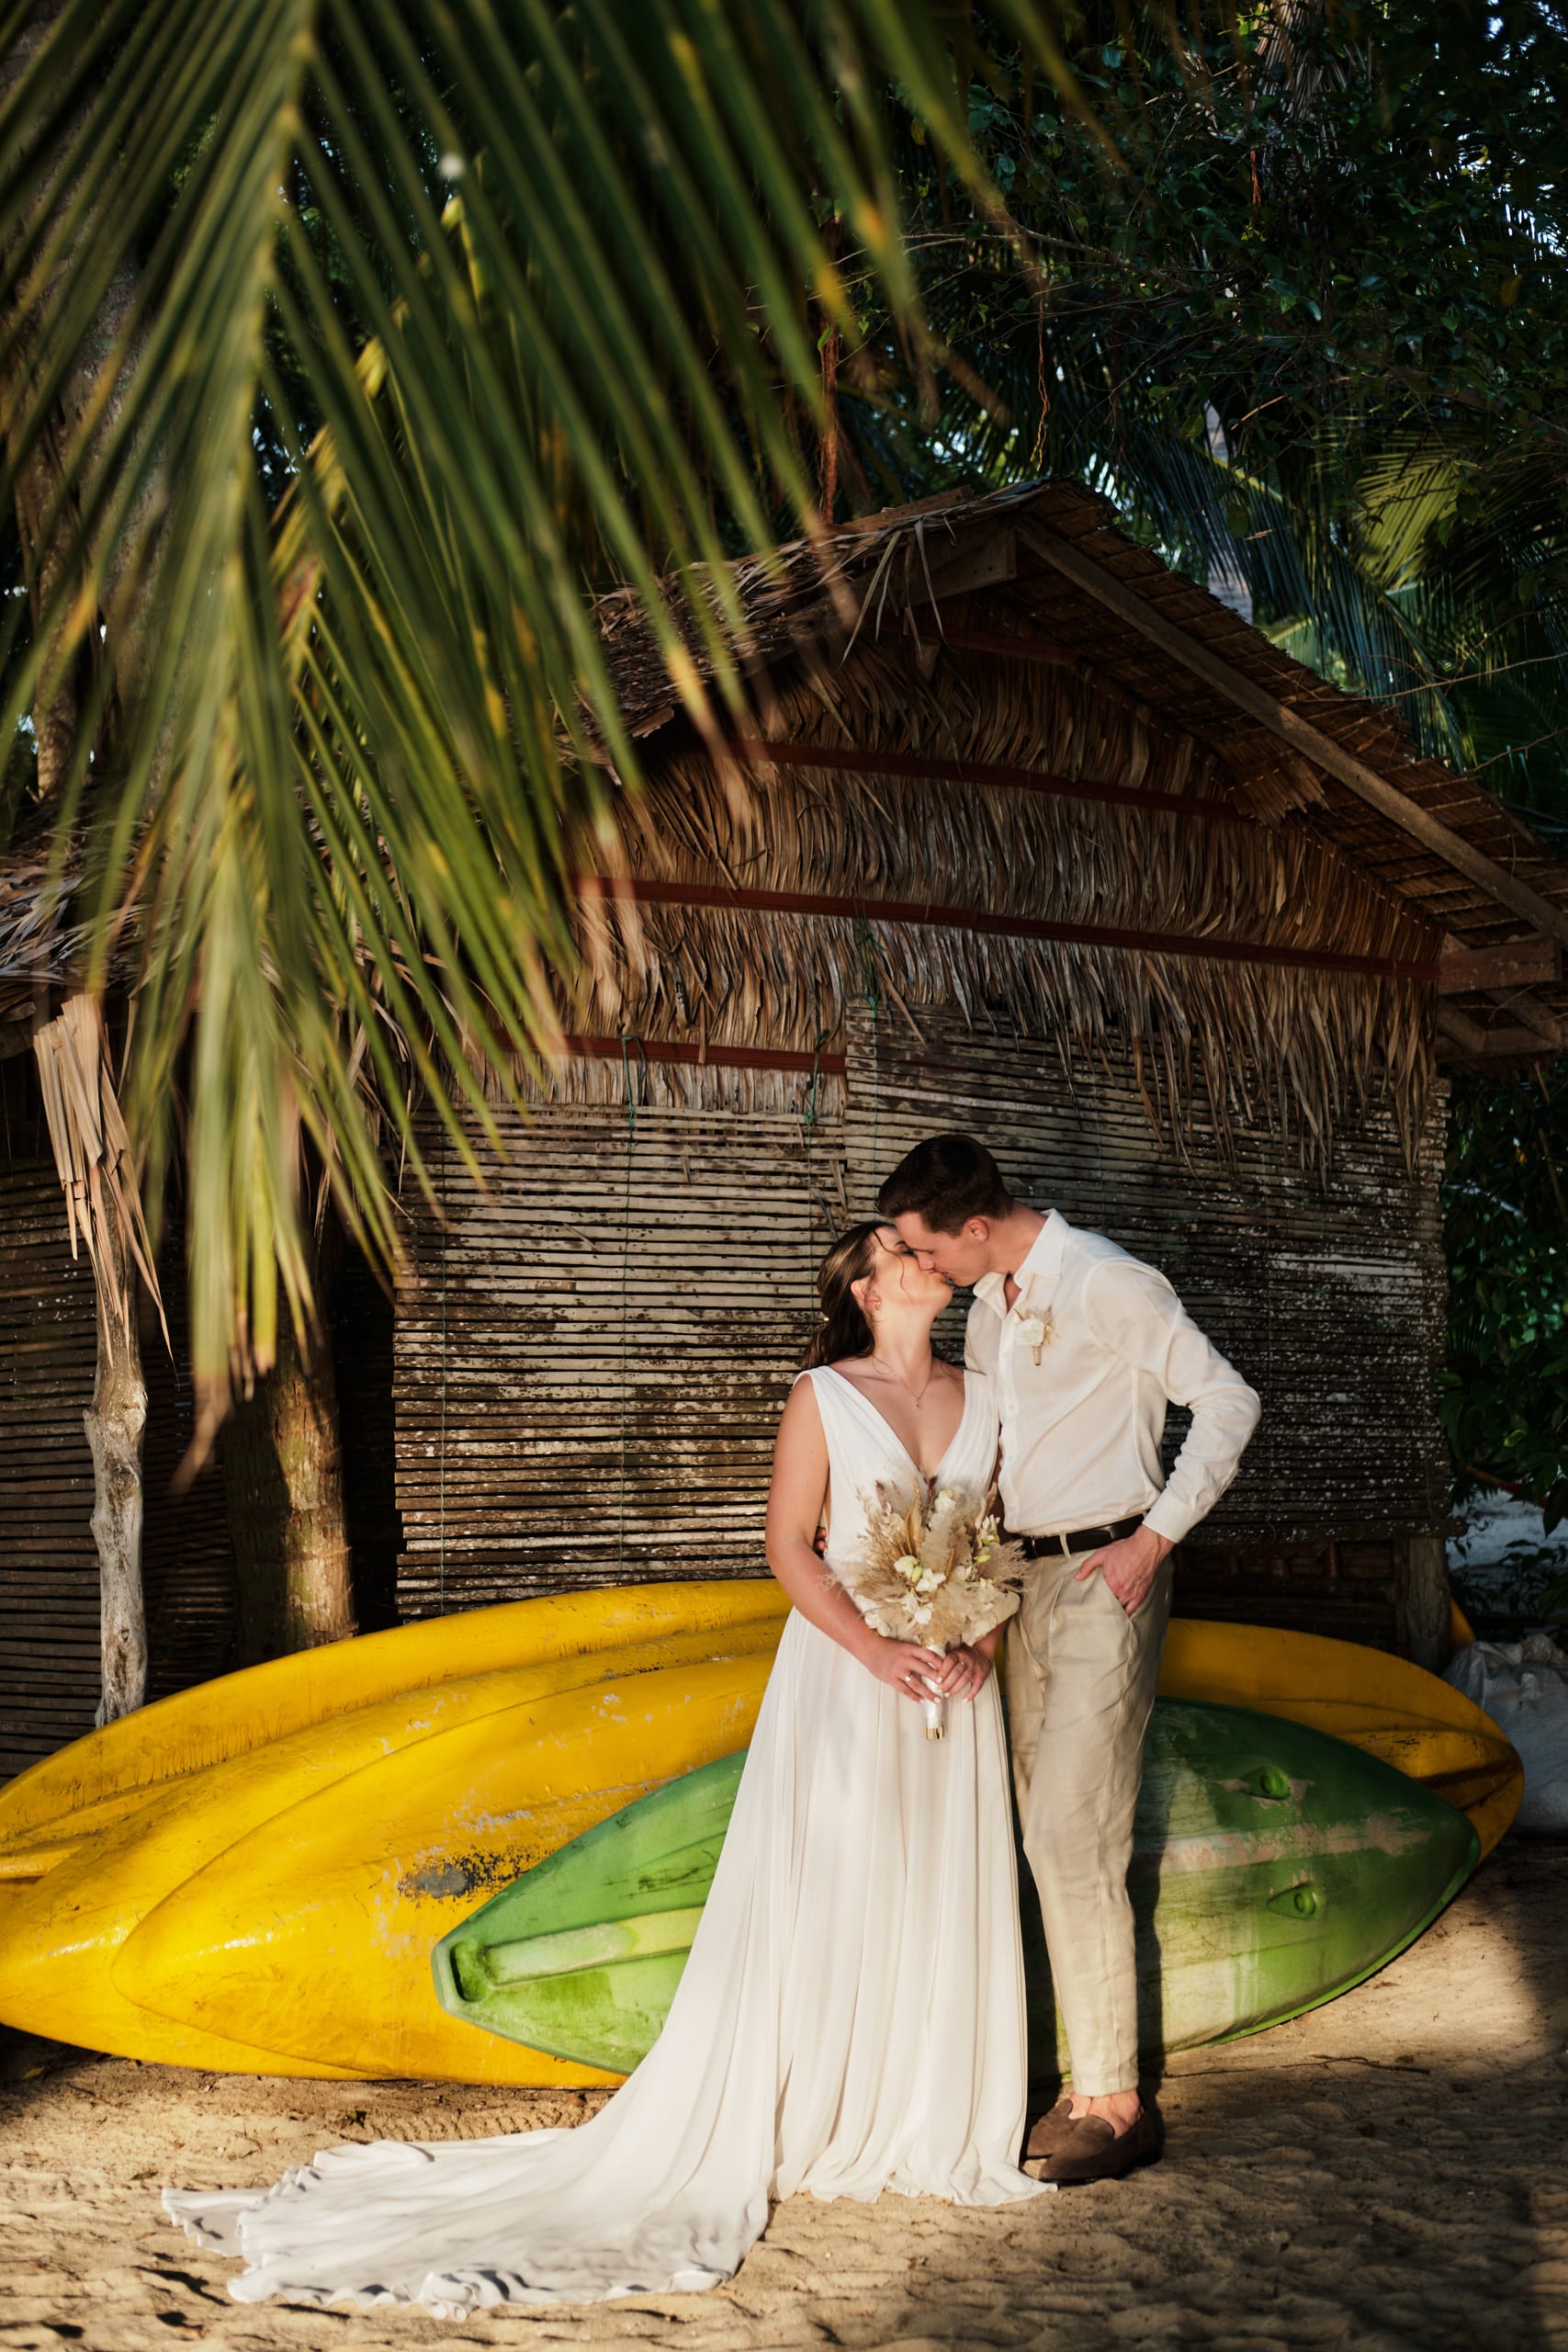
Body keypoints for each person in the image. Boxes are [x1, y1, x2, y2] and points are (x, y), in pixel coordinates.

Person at [164, 1220, 1045, 2314]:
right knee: (838, 1882)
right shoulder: (822, 1394)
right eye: (894, 1248)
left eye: (924, 1246)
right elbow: (788, 1548)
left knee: (937, 1890)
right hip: (850, 1677)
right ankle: (823, 2098)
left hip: (955, 1682)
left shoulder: (986, 1396)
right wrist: (875, 1650)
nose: (921, 1254)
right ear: (866, 1289)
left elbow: (1004, 1539)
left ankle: (922, 2107)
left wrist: (979, 1648)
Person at [881, 1133, 1261, 2188]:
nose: (932, 1273)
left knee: (1070, 1828)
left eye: (931, 1251)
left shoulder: (1107, 1280)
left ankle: (1119, 2102)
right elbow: (1004, 1454)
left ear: (972, 1226)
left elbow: (1230, 1401)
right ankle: (1077, 2087)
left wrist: (1156, 1538)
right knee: (1038, 1827)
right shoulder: (996, 1300)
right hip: (1021, 1579)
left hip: (1109, 1569)